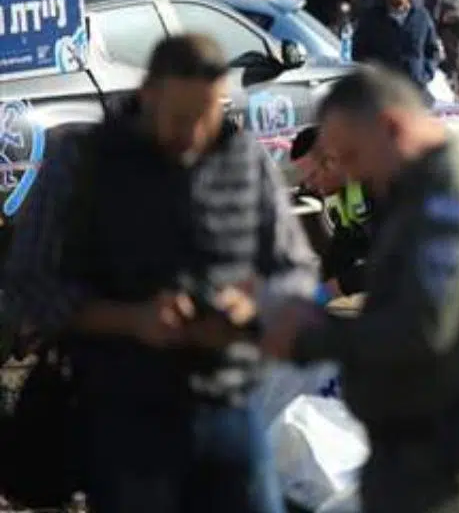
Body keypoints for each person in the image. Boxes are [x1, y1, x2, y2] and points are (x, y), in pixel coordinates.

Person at [53, 34, 317, 513]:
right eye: (179, 118)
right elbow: (29, 288)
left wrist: (250, 305)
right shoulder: (82, 162)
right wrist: (131, 320)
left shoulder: (242, 158)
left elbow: (296, 270)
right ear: (147, 95)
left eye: (207, 116)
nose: (194, 135)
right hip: (127, 419)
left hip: (230, 407)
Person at [261, 65, 459, 513]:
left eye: (351, 155)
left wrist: (308, 334)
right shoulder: (414, 195)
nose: (349, 172)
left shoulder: (448, 201)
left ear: (390, 127)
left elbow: (422, 330)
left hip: (441, 453)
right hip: (408, 445)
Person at [290, 126, 373, 300]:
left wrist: (337, 287)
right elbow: (346, 243)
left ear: (332, 162)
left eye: (312, 176)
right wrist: (314, 287)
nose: (309, 186)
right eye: (305, 180)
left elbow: (396, 260)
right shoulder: (341, 191)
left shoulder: (377, 181)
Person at [353, 0, 439, 90]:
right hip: (384, 89)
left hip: (414, 89)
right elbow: (359, 53)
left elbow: (432, 50)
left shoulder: (421, 17)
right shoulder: (371, 20)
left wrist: (424, 75)